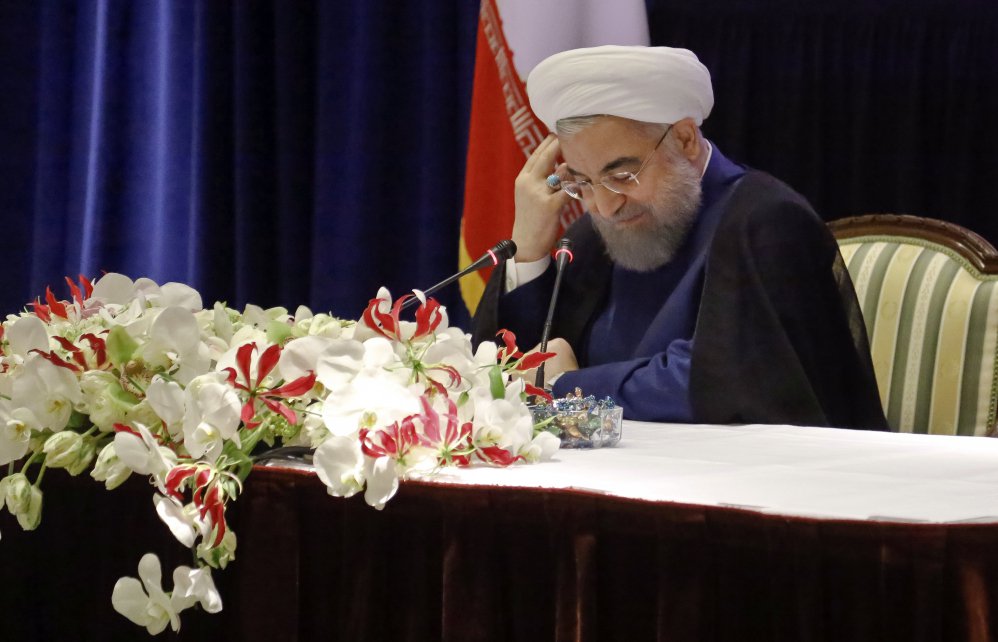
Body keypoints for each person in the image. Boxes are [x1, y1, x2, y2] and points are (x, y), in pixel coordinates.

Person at [471, 45, 888, 430]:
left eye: (621, 175)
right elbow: (516, 375)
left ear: (686, 140)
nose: (604, 205)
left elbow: (724, 380)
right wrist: (527, 250)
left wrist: (567, 385)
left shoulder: (764, 221)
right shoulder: (594, 234)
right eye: (582, 181)